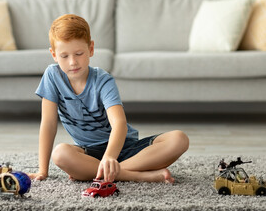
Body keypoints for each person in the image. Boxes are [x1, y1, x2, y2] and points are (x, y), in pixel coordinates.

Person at [27, 14, 189, 183]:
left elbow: (119, 124)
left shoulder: (103, 80)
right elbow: (48, 123)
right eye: (64, 56)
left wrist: (110, 157)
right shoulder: (52, 76)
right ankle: (135, 175)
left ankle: (109, 171)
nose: (73, 62)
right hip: (90, 153)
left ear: (91, 48)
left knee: (179, 139)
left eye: (79, 53)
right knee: (60, 154)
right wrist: (42, 170)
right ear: (54, 54)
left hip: (125, 148)